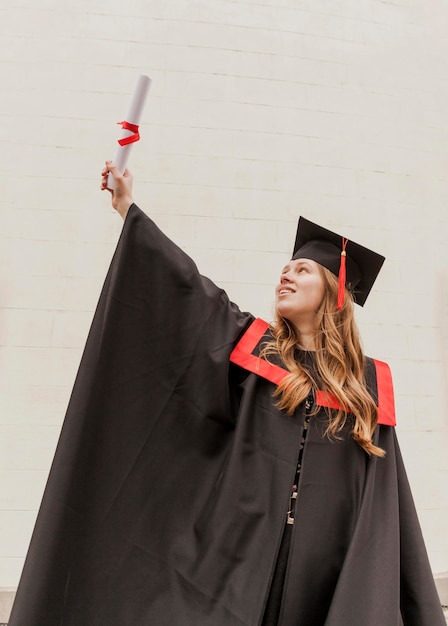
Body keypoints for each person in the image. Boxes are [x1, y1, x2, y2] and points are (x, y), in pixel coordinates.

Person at [9, 161, 445, 626]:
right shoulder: (257, 352)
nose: (287, 276)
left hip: (327, 566)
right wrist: (126, 206)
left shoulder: (368, 387)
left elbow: (383, 498)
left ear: (335, 292)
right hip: (244, 556)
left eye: (302, 270)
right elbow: (189, 293)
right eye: (284, 269)